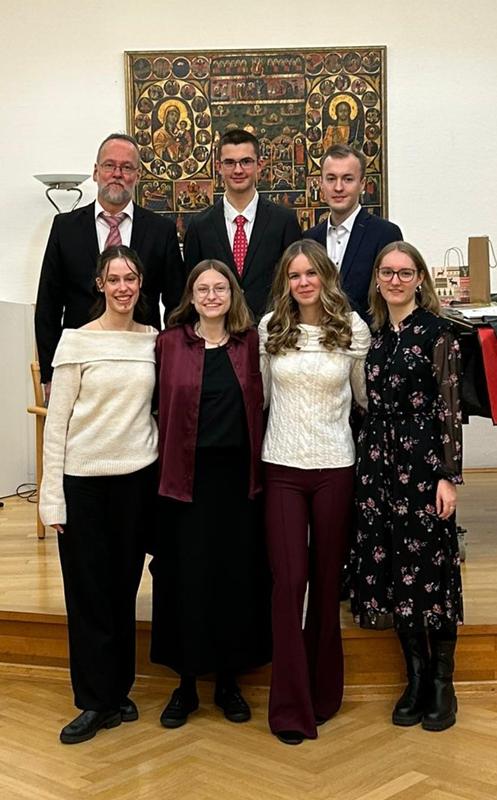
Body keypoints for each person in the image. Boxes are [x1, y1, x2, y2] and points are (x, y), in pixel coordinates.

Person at [39, 245, 158, 744]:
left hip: (137, 481)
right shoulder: (75, 343)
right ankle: (93, 700)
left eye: (131, 278)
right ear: (100, 285)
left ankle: (119, 691)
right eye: (114, 279)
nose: (124, 287)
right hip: (84, 483)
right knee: (88, 595)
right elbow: (56, 425)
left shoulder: (154, 340)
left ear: (140, 284)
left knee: (122, 591)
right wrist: (51, 497)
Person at [259, 239, 370, 745]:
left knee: (326, 584)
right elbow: (258, 395)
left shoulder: (353, 329)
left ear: (325, 276)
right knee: (289, 585)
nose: (303, 282)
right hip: (281, 468)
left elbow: (365, 398)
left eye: (311, 273)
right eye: (294, 275)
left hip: (334, 468)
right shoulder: (270, 330)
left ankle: (325, 694)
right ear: (285, 281)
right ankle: (288, 706)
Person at [151, 259, 271, 728]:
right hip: (184, 484)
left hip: (239, 484)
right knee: (186, 581)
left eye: (220, 287)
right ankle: (185, 685)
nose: (212, 296)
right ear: (191, 295)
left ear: (233, 293)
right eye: (203, 288)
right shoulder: (169, 344)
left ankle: (228, 681)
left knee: (234, 580)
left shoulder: (251, 344)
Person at [351, 241, 463, 732]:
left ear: (420, 278)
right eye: (387, 272)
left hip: (424, 468)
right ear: (377, 279)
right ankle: (414, 677)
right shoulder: (374, 338)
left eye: (405, 272)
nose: (395, 280)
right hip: (378, 468)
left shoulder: (440, 334)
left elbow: (451, 409)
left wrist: (448, 476)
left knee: (431, 569)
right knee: (395, 568)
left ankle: (442, 681)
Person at [35, 132, 185, 399]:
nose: (117, 173)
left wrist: (171, 367)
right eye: (109, 165)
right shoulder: (65, 228)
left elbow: (176, 306)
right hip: (81, 366)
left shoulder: (161, 231)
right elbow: (48, 305)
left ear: (137, 176)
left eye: (127, 167)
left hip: (141, 367)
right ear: (96, 172)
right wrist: (50, 373)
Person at [183, 128, 301, 320]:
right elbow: (190, 288)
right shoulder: (200, 226)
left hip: (274, 335)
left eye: (246, 162)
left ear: (260, 165)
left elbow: (294, 281)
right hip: (218, 335)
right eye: (230, 163)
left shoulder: (284, 222)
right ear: (218, 167)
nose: (238, 170)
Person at [304, 144, 402, 320]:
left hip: (368, 342)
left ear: (362, 184)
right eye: (331, 179)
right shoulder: (309, 239)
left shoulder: (385, 234)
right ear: (321, 184)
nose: (338, 187)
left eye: (348, 179)